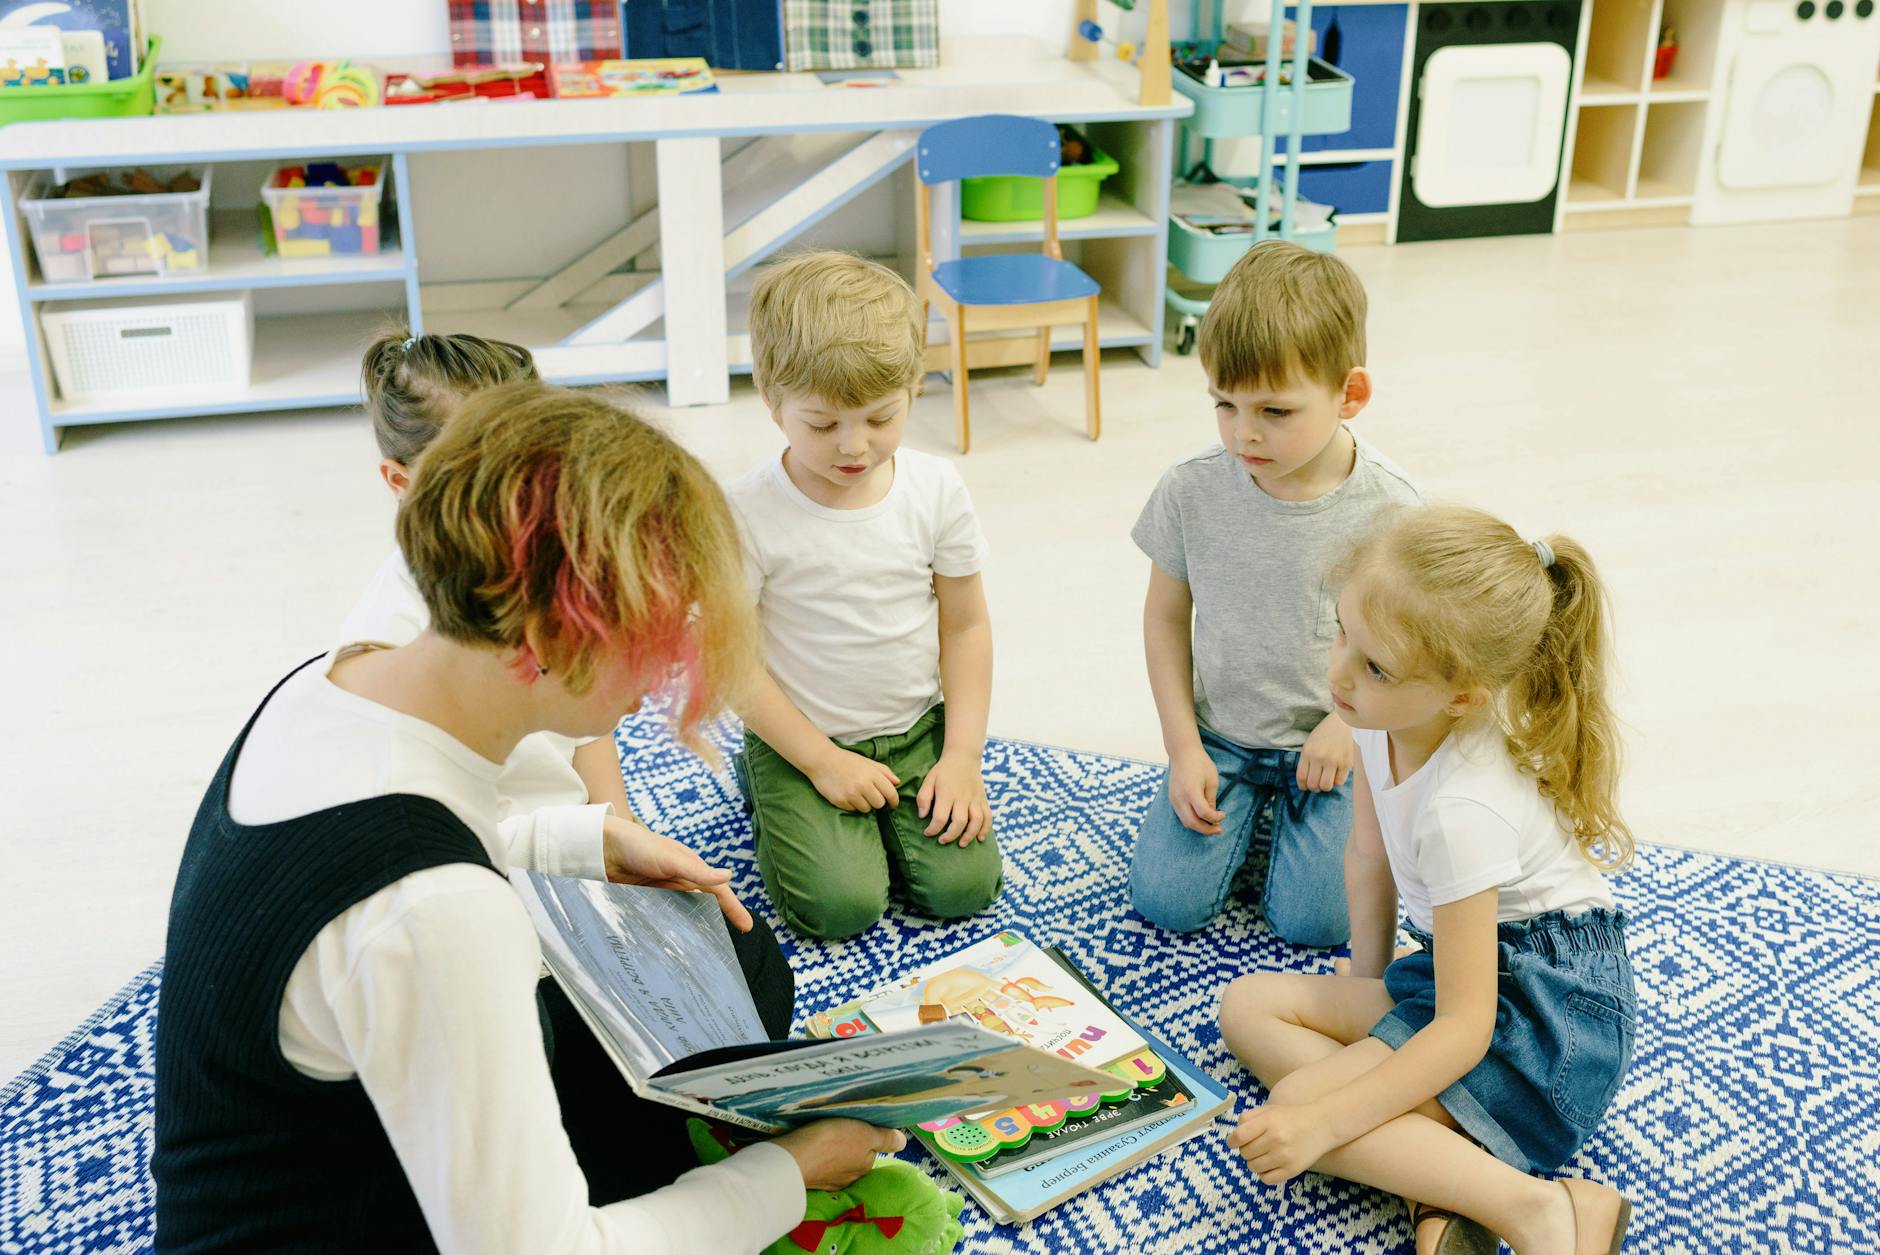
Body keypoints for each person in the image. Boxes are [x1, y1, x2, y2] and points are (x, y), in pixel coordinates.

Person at [153, 383, 903, 1255]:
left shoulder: (333, 680)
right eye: (659, 640)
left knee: (736, 979)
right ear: (554, 636)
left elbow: (348, 873)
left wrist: (580, 838)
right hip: (347, 1223)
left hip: (290, 1162)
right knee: (692, 1092)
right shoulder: (437, 914)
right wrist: (792, 1172)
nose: (665, 677)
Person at [1218, 505, 1638, 1255]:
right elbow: (1368, 859)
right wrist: (1368, 1008)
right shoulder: (1376, 719)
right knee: (1247, 1005)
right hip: (1453, 979)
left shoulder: (1463, 807)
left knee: (1302, 1105)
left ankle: (1540, 1210)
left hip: (1549, 1020)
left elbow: (1466, 1028)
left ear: (1464, 696)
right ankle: (1446, 1184)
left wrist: (1331, 1115)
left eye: (1375, 666)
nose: (1339, 673)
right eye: (1343, 630)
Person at [1129, 241, 1419, 945]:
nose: (1242, 432)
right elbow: (1166, 619)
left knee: (1317, 924)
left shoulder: (1394, 509)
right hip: (1221, 738)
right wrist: (1183, 748)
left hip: (1331, 745)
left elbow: (1411, 652)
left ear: (1349, 395)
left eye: (1275, 411)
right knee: (1164, 901)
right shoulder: (1191, 489)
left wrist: (1349, 727)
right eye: (1224, 404)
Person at [728, 252, 1003, 940]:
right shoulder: (746, 511)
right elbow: (728, 661)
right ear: (771, 400)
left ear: (913, 387)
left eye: (881, 418)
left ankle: (869, 806)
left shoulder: (935, 489)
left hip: (915, 732)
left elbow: (965, 627)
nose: (854, 446)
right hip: (802, 735)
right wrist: (819, 762)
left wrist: (961, 757)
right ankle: (762, 780)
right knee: (841, 907)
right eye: (822, 424)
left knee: (964, 889)